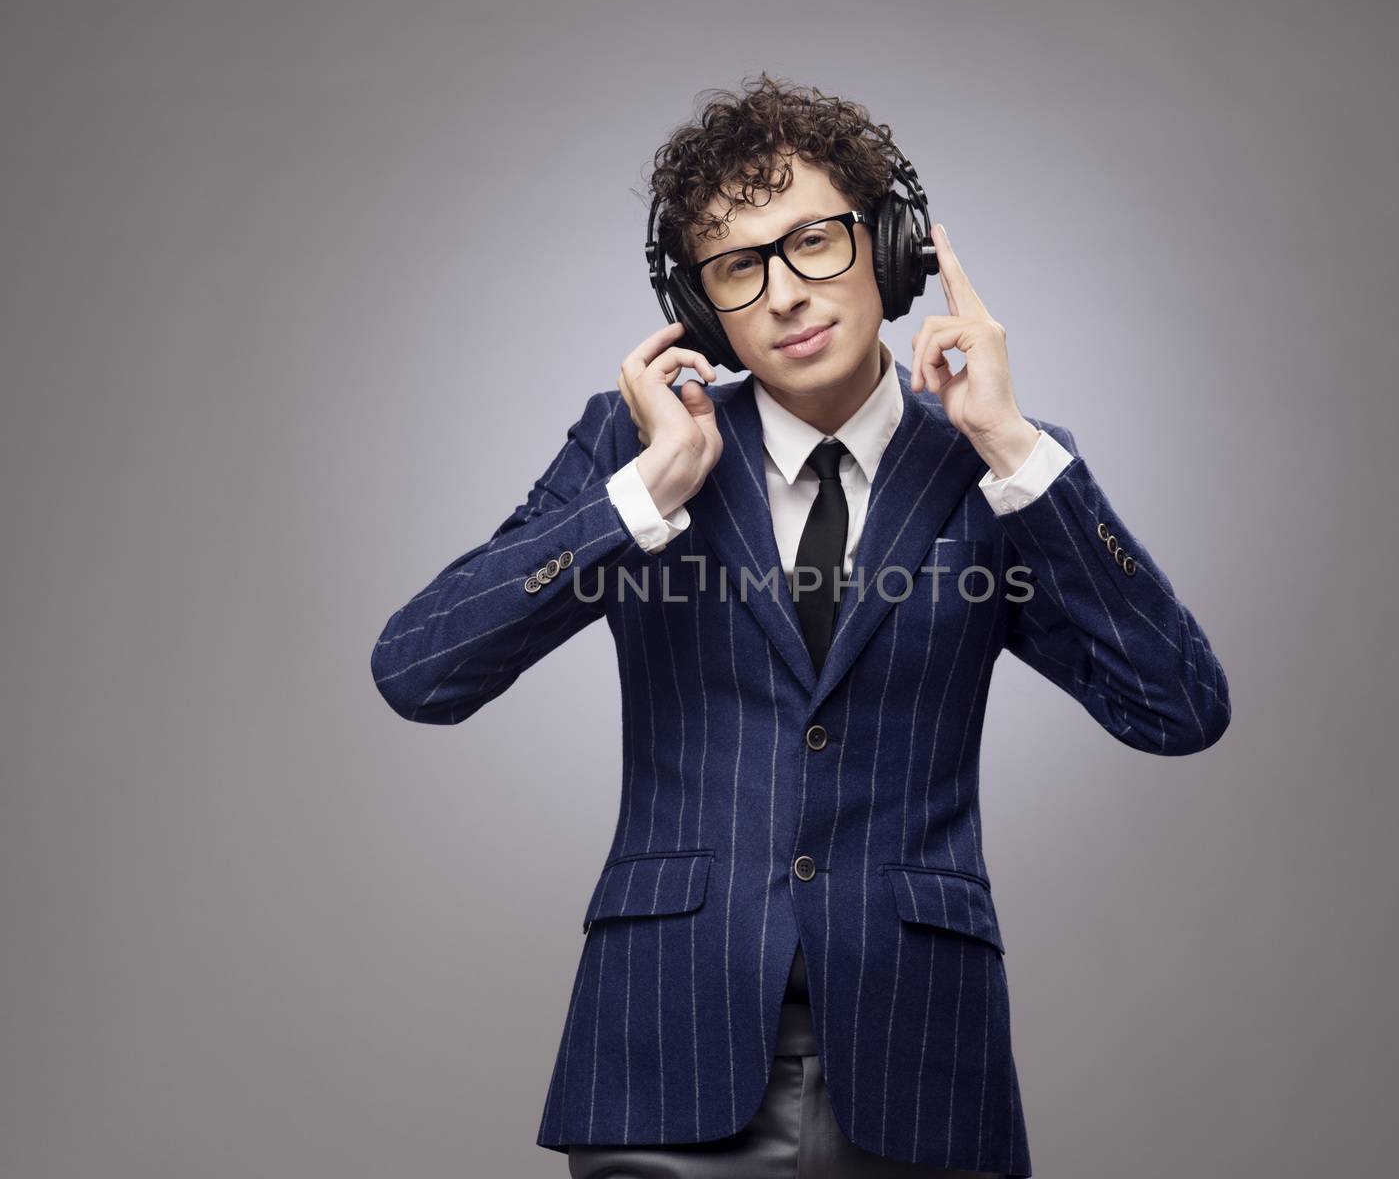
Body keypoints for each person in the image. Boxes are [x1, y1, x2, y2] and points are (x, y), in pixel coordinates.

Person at [370, 74, 1230, 1179]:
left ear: (892, 245)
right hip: (664, 1059)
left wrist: (1016, 451)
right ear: (701, 304)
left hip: (923, 1062)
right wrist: (639, 498)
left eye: (814, 242)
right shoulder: (631, 447)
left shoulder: (996, 468)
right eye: (739, 266)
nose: (785, 293)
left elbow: (1178, 708)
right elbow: (420, 669)